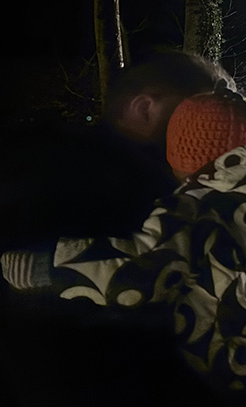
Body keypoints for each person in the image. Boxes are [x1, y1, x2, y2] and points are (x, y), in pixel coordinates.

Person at [2, 82, 246, 406]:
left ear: (185, 158)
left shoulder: (192, 213)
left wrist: (46, 267)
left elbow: (135, 270)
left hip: (214, 366)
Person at [0, 49, 232, 407]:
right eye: (200, 114)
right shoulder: (84, 184)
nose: (212, 131)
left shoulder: (54, 164)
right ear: (145, 108)